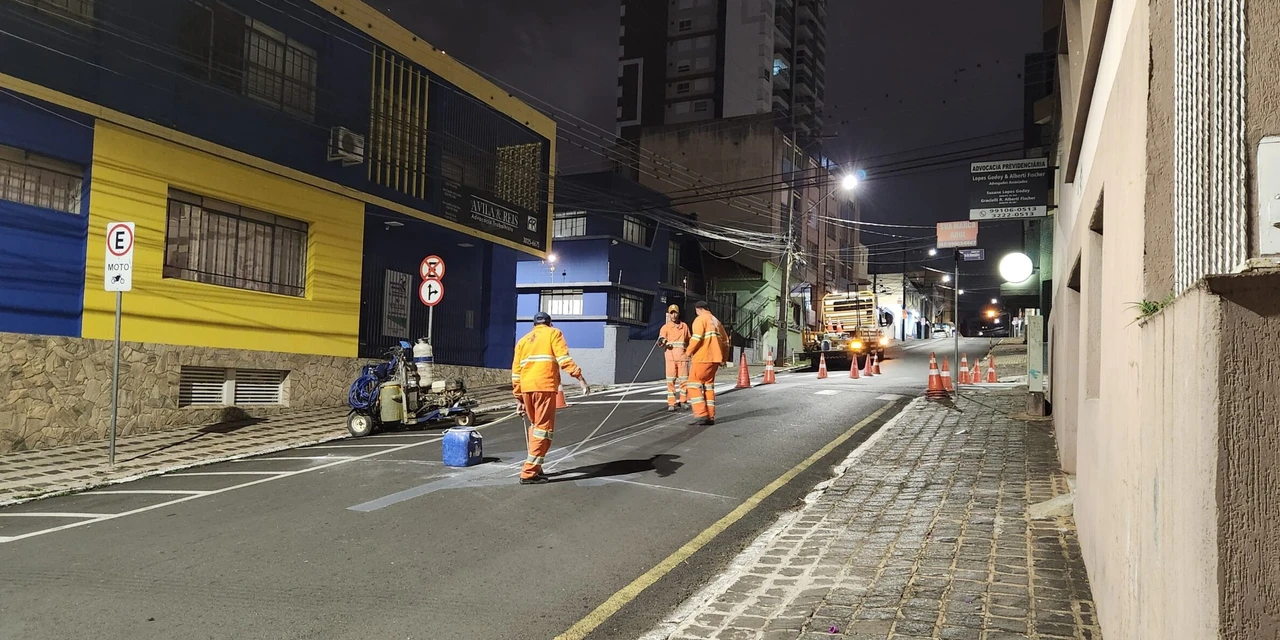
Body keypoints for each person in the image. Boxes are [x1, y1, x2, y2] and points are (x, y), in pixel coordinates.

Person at [512, 311, 590, 485]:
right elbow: (564, 359)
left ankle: (536, 467)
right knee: (543, 430)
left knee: (536, 427)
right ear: (550, 323)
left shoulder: (523, 341)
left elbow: (516, 373)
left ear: (534, 325)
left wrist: (519, 399)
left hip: (526, 388)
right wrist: (580, 378)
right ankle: (528, 472)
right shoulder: (554, 333)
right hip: (544, 386)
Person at [684, 300, 730, 426]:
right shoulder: (716, 321)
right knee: (708, 386)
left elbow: (696, 338)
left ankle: (701, 414)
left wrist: (688, 352)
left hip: (702, 358)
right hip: (715, 359)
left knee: (693, 384)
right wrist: (724, 359)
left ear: (698, 309)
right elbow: (726, 342)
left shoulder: (700, 319)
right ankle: (710, 416)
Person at [658, 304, 692, 412]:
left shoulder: (684, 326)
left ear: (678, 313)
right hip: (670, 358)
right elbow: (660, 340)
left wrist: (690, 353)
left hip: (683, 358)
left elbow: (689, 340)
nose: (673, 315)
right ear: (669, 314)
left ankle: (683, 401)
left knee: (684, 380)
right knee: (670, 381)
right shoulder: (665, 327)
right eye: (671, 313)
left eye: (675, 313)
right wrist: (664, 341)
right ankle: (671, 403)